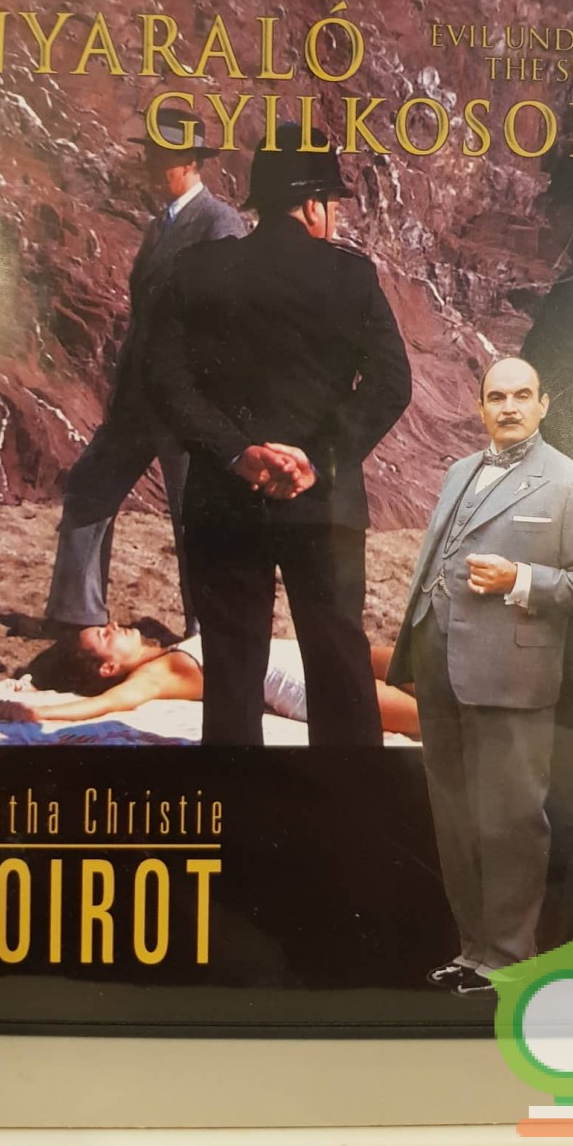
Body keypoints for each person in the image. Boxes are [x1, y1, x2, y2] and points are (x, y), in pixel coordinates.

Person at [143, 123, 412, 747]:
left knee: (232, 661)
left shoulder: (196, 270)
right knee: (339, 656)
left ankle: (241, 795)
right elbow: (390, 384)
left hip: (223, 499)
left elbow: (164, 382)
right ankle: (346, 796)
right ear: (314, 204)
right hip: (323, 504)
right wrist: (315, 459)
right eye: (333, 204)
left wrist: (238, 452)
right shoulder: (351, 277)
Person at [387, 357, 573, 996]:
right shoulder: (460, 470)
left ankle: (510, 961)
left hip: (513, 675)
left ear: (544, 404)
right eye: (497, 397)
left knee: (512, 822)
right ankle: (474, 952)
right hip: (440, 666)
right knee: (456, 818)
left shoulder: (572, 482)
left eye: (521, 395)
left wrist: (521, 579)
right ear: (481, 407)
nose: (509, 407)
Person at [44, 106, 246, 636]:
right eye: (151, 156)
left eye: (161, 157)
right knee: (89, 485)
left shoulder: (219, 222)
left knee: (192, 515)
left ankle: (206, 632)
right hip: (138, 397)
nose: (151, 166)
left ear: (189, 162)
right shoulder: (160, 225)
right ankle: (76, 615)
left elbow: (226, 320)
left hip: (186, 402)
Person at [0, 622, 420, 739]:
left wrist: (30, 681)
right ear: (108, 669)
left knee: (429, 664)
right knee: (435, 717)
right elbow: (110, 704)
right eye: (104, 635)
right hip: (302, 684)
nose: (113, 625)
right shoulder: (158, 673)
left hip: (311, 654)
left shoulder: (168, 651)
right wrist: (38, 711)